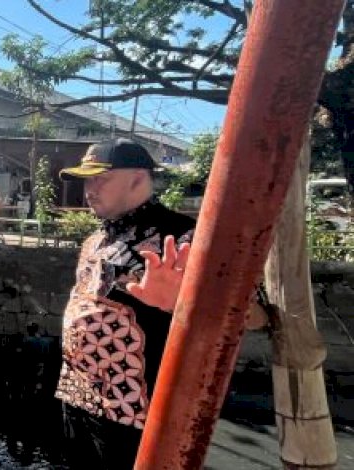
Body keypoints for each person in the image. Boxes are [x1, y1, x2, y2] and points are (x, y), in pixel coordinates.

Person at [53, 138, 267, 468]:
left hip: (139, 410)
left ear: (138, 178)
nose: (89, 189)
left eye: (100, 179)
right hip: (77, 394)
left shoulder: (188, 237)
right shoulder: (96, 238)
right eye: (87, 180)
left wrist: (184, 302)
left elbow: (258, 317)